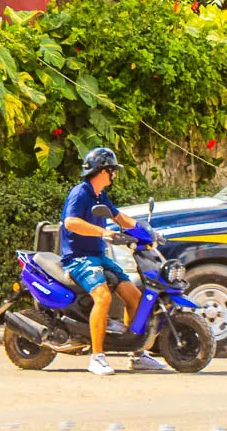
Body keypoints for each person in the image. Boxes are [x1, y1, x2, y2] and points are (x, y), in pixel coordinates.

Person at [61, 147, 166, 375]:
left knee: (135, 296)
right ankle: (97, 357)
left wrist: (146, 232)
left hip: (98, 257)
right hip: (78, 259)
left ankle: (136, 354)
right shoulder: (80, 193)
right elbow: (70, 222)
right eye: (112, 171)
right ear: (102, 171)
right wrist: (104, 234)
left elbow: (119, 218)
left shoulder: (100, 196)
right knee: (103, 297)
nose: (114, 175)